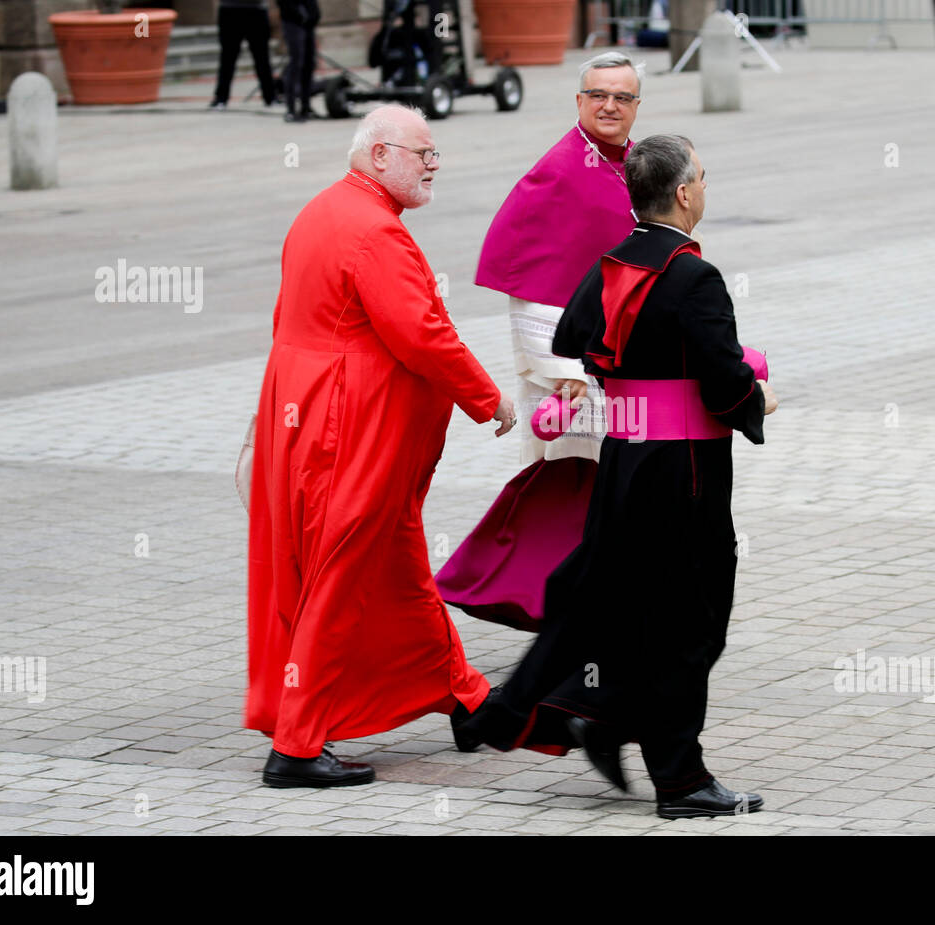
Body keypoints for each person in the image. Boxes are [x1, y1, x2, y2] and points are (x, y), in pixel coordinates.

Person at [455, 135, 779, 819]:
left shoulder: (608, 266)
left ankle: (573, 715)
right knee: (694, 620)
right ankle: (681, 779)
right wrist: (755, 396)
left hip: (624, 462)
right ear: (686, 193)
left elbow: (578, 340)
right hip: (683, 469)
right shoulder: (695, 275)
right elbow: (723, 383)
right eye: (704, 178)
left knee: (612, 599)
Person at [245, 104, 518, 788]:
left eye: (434, 154)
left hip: (311, 416)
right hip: (351, 431)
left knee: (393, 564)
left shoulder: (322, 210)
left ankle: (466, 698)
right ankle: (298, 746)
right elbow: (421, 333)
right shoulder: (375, 232)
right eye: (421, 152)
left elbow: (291, 320)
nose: (432, 164)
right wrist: (489, 398)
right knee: (342, 573)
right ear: (377, 157)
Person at [434, 52, 643, 631]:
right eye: (598, 94)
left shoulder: (631, 164)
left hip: (620, 368)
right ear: (578, 101)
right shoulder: (560, 170)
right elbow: (531, 283)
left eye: (622, 97)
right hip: (574, 381)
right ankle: (565, 610)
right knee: (571, 489)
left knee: (615, 491)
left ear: (636, 107)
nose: (609, 106)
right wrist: (564, 373)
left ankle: (598, 610)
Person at [209, 0, 277, 110]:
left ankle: (270, 97)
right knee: (228, 58)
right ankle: (221, 98)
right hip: (230, 9)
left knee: (262, 57)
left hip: (256, 9)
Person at [278, 0, 320, 122]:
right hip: (292, 21)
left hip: (308, 23)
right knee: (296, 63)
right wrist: (299, 14)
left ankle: (305, 107)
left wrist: (314, 15)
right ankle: (291, 109)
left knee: (309, 64)